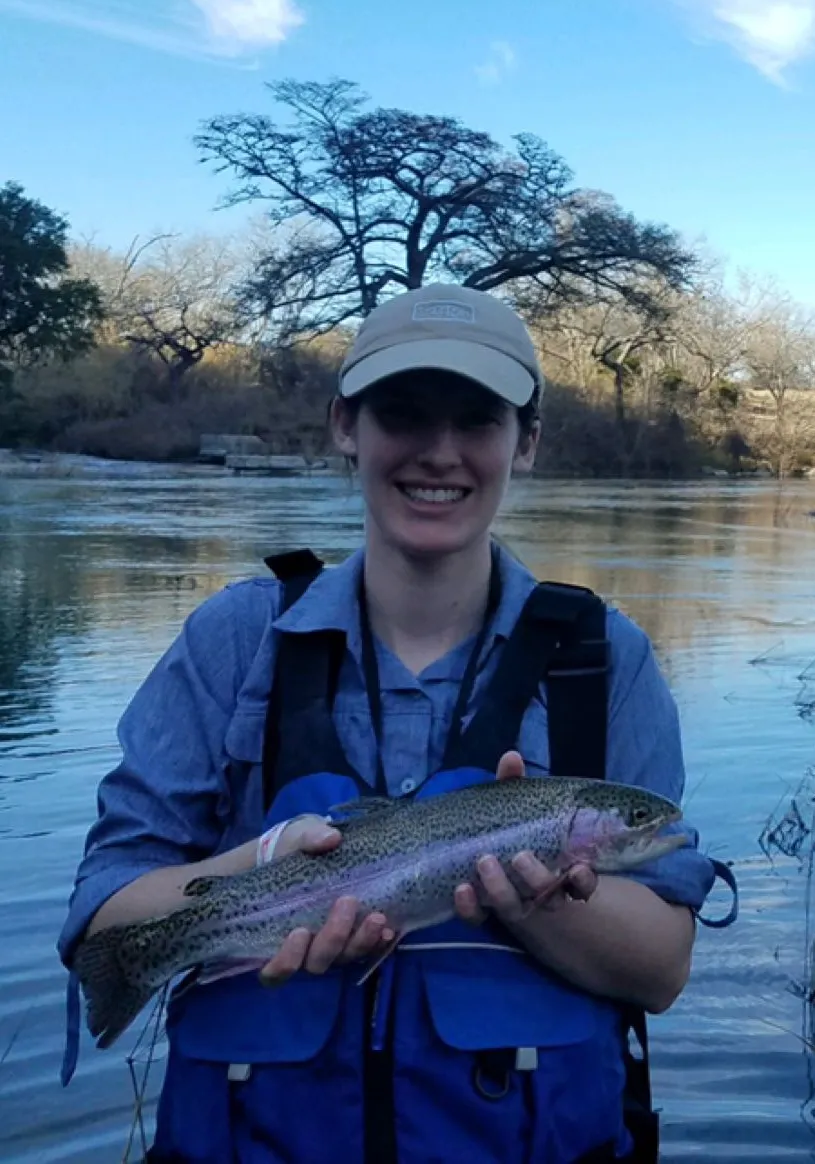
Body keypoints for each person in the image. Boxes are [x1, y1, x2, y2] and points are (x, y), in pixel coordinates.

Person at [58, 284, 731, 1164]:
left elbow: (662, 971)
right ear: (347, 426)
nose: (440, 452)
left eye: (478, 421)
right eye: (404, 413)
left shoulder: (603, 660)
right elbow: (99, 920)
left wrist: (527, 902)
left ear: (524, 443)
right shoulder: (234, 640)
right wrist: (265, 866)